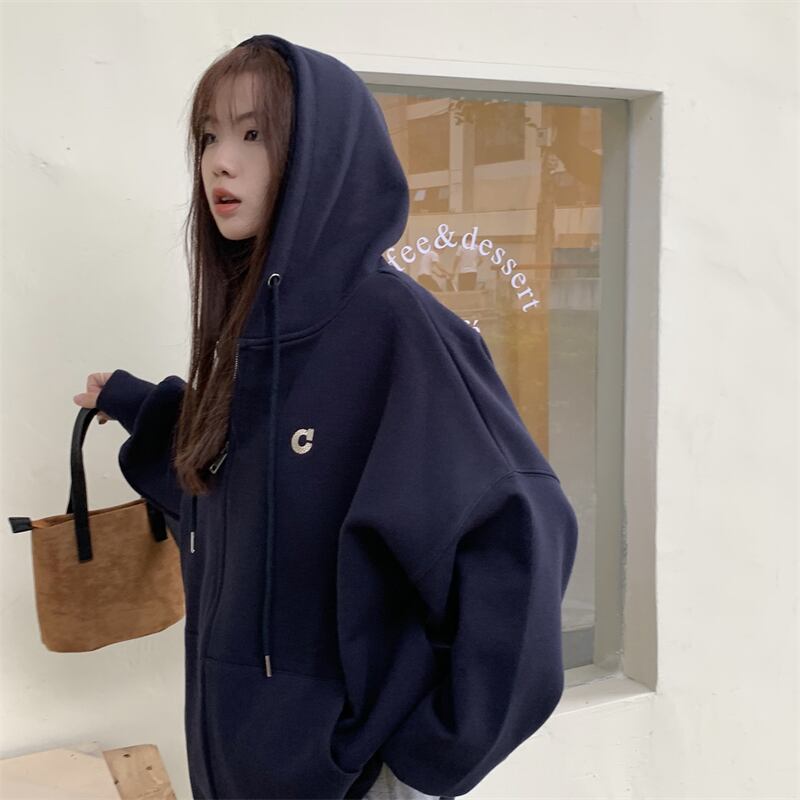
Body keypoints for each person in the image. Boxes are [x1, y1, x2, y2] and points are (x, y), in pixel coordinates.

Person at [73, 34, 578, 800]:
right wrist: (141, 403)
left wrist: (420, 754)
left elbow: (517, 530)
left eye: (254, 134)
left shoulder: (390, 326)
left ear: (320, 154)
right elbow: (257, 491)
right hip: (240, 770)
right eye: (208, 136)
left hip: (346, 781)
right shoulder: (257, 329)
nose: (220, 162)